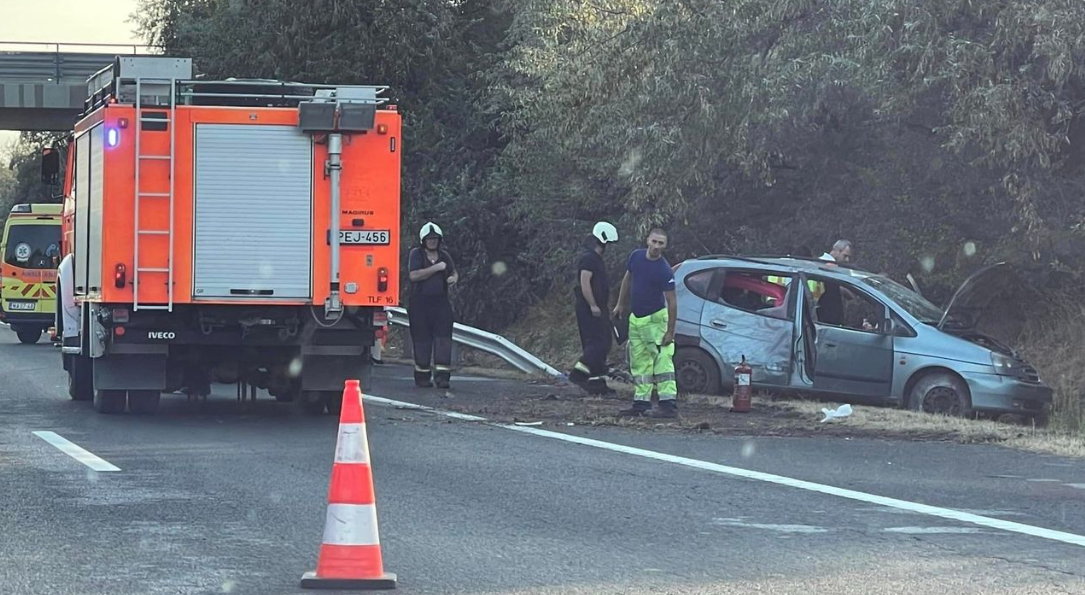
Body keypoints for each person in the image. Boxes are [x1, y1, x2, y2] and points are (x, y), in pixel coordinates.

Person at [613, 228, 678, 418]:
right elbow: (628, 278)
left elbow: (672, 302)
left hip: (656, 320)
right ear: (647, 240)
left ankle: (668, 405)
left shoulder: (664, 270)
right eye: (654, 241)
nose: (657, 246)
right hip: (637, 319)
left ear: (665, 247)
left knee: (662, 362)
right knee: (640, 363)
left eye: (661, 243)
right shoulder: (636, 257)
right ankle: (641, 403)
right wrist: (620, 303)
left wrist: (670, 332)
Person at [568, 221, 619, 395]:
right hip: (589, 308)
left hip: (598, 307)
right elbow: (585, 282)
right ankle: (578, 374)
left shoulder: (596, 259)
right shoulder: (589, 258)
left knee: (604, 342)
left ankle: (596, 382)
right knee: (596, 343)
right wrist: (593, 305)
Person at [407, 222, 458, 388]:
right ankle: (422, 377)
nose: (432, 242)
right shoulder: (416, 254)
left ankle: (442, 377)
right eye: (429, 239)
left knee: (443, 339)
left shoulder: (444, 256)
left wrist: (453, 278)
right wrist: (436, 268)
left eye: (435, 239)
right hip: (419, 304)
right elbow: (414, 275)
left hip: (441, 303)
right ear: (423, 240)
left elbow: (453, 272)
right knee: (422, 340)